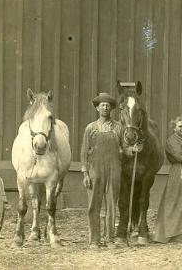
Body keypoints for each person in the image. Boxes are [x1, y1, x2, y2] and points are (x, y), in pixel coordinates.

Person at [80, 92, 124, 249]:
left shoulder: (119, 127)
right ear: (97, 108)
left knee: (112, 204)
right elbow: (84, 152)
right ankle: (95, 240)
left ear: (111, 109)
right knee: (94, 205)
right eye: (102, 105)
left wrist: (134, 149)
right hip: (95, 170)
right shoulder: (90, 128)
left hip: (114, 169)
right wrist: (85, 173)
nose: (105, 107)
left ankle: (110, 239)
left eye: (108, 105)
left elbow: (125, 149)